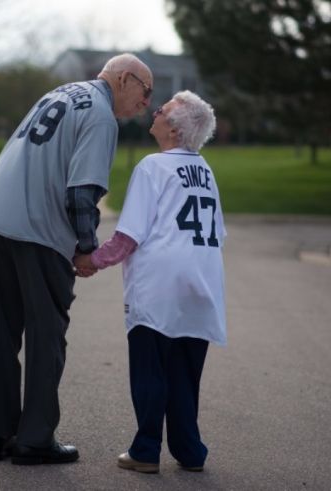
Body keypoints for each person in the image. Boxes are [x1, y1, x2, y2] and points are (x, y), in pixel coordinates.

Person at [0, 54, 153, 465]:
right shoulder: (102, 116)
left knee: (2, 331)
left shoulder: (63, 92)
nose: (147, 104)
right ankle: (34, 439)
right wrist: (85, 249)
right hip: (37, 227)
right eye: (145, 91)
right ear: (124, 78)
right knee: (47, 335)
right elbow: (81, 194)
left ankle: (0, 434)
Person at [74, 91, 225, 474]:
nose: (156, 110)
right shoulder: (205, 171)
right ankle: (190, 451)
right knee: (185, 374)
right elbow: (218, 232)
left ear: (174, 129)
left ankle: (145, 451)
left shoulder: (152, 167)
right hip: (202, 280)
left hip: (159, 283)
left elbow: (128, 236)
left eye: (165, 108)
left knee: (150, 368)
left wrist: (90, 260)